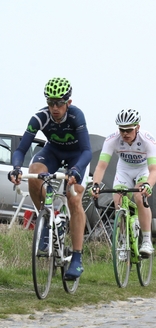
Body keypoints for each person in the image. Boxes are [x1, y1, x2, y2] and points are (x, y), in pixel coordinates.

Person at [8, 77, 92, 280]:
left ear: (68, 103)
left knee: (74, 198)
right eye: (51, 102)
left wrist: (76, 170)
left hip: (76, 157)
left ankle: (77, 258)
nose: (55, 107)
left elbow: (87, 151)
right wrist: (16, 168)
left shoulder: (76, 116)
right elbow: (21, 149)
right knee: (35, 171)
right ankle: (47, 219)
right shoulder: (39, 117)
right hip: (53, 153)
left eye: (59, 103)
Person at [90, 109, 156, 256]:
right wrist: (95, 185)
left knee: (140, 197)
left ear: (137, 128)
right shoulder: (112, 140)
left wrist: (148, 185)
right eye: (122, 130)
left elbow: (154, 170)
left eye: (129, 130)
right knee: (118, 201)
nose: (125, 133)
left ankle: (147, 240)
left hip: (143, 169)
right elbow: (101, 166)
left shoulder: (148, 140)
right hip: (124, 169)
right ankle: (123, 241)